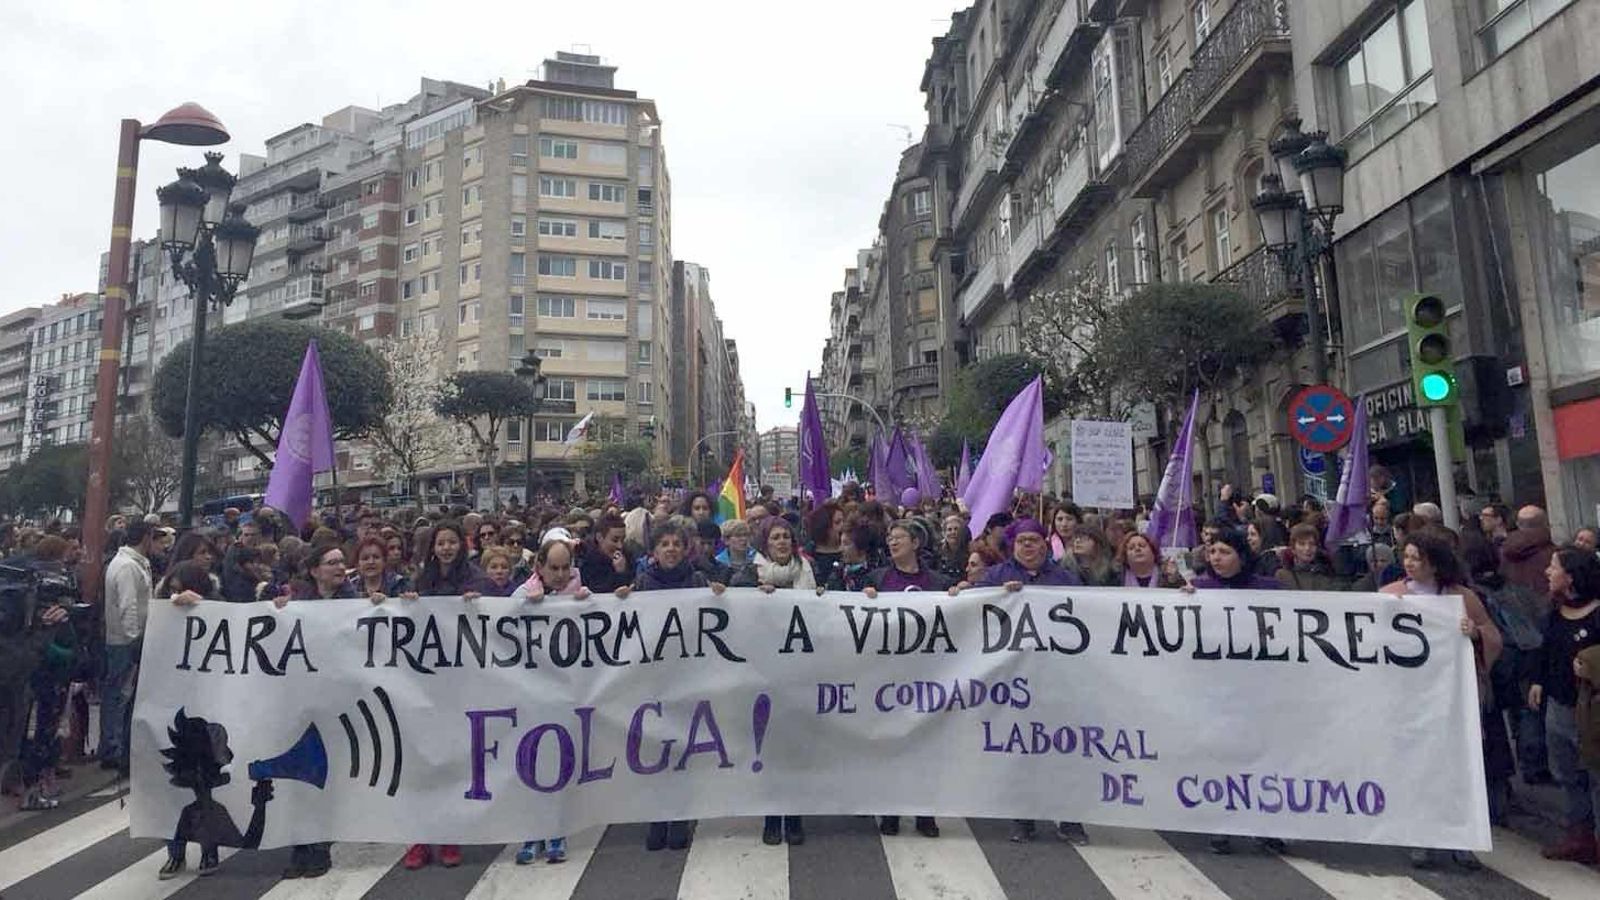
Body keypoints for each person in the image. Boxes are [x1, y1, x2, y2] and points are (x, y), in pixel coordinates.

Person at [1381, 528, 1503, 870]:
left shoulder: (1461, 597)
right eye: (1406, 557)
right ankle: (1421, 837)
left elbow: (1493, 637)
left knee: (1458, 769)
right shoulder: (1390, 596)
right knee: (1416, 766)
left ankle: (1461, 839)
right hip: (1409, 700)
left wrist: (1474, 633)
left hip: (1452, 701)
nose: (1409, 564)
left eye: (1416, 558)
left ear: (1434, 564)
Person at [960, 519, 1086, 845]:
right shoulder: (997, 576)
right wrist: (989, 594)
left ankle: (1070, 819)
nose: (1028, 546)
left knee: (1062, 749)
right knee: (1020, 749)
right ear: (1012, 545)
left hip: (1056, 678)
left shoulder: (1066, 580)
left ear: (1045, 544)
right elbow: (970, 606)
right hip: (1013, 681)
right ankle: (1023, 817)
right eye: (1021, 541)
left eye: (1034, 540)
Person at [618, 524, 725, 851]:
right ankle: (656, 815)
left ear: (685, 549)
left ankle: (679, 816)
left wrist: (720, 596)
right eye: (664, 544)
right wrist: (621, 598)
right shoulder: (644, 584)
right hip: (653, 680)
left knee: (682, 748)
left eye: (676, 544)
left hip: (687, 679)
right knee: (655, 747)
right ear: (654, 551)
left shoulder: (697, 581)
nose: (670, 549)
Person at [867, 521, 953, 840]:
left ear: (915, 542)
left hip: (927, 675)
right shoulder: (878, 579)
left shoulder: (938, 582)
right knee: (892, 743)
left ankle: (924, 811)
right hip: (888, 676)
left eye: (899, 538)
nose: (892, 543)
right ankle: (890, 809)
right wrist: (865, 598)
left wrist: (956, 597)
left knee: (926, 744)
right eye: (889, 539)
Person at [513, 540, 590, 865]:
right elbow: (496, 628)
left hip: (564, 691)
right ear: (539, 568)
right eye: (553, 568)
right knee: (530, 761)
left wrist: (589, 604)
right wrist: (524, 607)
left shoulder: (579, 595)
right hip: (529, 692)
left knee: (560, 760)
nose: (559, 575)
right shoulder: (522, 595)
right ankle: (532, 830)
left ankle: (557, 829)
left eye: (564, 568)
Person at [1528, 547, 1600, 864]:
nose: (1547, 572)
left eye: (1554, 567)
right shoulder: (1554, 613)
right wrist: (1538, 681)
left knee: (1597, 777)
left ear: (1570, 576)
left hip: (1592, 711)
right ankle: (1579, 835)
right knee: (1568, 775)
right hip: (1558, 707)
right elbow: (1547, 652)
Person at [101, 521, 155, 775]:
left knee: (121, 693)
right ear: (146, 538)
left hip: (128, 638)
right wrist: (135, 637)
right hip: (124, 640)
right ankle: (112, 746)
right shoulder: (126, 566)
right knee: (119, 694)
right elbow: (128, 605)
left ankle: (115, 744)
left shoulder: (133, 563)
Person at [1276, 524, 1350, 591]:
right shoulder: (1283, 575)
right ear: (1293, 548)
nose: (1307, 548)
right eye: (1302, 544)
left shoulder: (1327, 572)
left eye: (1312, 544)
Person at [753, 518, 817, 592]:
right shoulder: (752, 572)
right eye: (775, 538)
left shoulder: (809, 565)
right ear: (765, 544)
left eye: (786, 537)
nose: (782, 542)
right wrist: (760, 594)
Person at [578, 514, 632, 595]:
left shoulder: (629, 556)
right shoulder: (586, 563)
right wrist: (619, 574)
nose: (620, 546)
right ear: (599, 537)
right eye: (615, 540)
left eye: (623, 539)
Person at [1116, 533, 1183, 589]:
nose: (1137, 549)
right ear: (1125, 556)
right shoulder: (1117, 577)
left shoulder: (1169, 574)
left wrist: (1173, 581)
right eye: (1131, 548)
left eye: (1142, 545)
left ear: (1153, 552)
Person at [806, 501, 845, 588]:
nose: (843, 525)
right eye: (837, 522)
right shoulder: (806, 557)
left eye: (843, 521)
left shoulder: (849, 555)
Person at [937, 515, 970, 583]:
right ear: (944, 533)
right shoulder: (937, 552)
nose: (953, 532)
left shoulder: (969, 551)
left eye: (956, 529)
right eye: (949, 529)